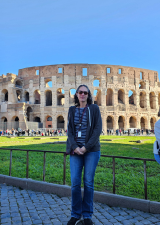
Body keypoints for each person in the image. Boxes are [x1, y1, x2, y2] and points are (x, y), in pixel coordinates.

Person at [66, 85, 102, 225]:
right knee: (75, 183)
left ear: (88, 95)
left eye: (85, 92)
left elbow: (98, 129)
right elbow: (69, 130)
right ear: (76, 94)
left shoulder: (94, 108)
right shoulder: (72, 109)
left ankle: (87, 215)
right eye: (80, 92)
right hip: (75, 151)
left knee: (88, 183)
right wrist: (75, 147)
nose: (82, 94)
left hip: (91, 151)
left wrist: (86, 148)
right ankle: (75, 214)